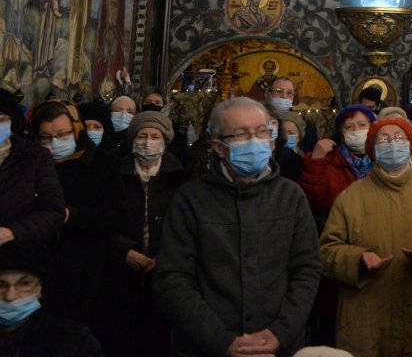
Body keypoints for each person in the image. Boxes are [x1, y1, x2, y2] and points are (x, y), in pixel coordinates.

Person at [155, 97, 321, 357]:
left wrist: (279, 333)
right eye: (242, 134)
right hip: (207, 347)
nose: (255, 141)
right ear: (219, 146)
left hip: (278, 346)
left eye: (262, 132)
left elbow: (307, 270)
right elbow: (173, 278)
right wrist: (222, 341)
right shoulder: (191, 200)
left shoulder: (291, 196)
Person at [320, 116, 412, 356]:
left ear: (409, 146)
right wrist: (359, 259)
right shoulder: (350, 197)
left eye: (399, 138)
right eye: (384, 139)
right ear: (373, 149)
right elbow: (326, 251)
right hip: (366, 317)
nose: (392, 143)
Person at [30, 101, 118, 335]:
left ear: (76, 130)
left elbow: (113, 214)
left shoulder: (103, 163)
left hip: (85, 269)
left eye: (62, 134)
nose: (55, 143)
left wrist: (71, 215)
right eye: (46, 138)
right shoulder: (32, 165)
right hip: (39, 270)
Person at [106, 111, 187, 356]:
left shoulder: (181, 176)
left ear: (165, 141)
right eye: (142, 135)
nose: (148, 142)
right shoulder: (113, 172)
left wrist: (165, 257)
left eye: (155, 136)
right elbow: (103, 220)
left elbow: (187, 227)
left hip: (165, 274)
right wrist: (123, 250)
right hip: (121, 272)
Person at [0, 241, 103, 356]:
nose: (10, 296)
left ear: (41, 289)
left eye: (25, 284)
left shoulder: (73, 339)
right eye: (1, 285)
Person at [0, 89, 65, 247]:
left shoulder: (35, 156)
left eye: (1, 119)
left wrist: (12, 232)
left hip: (20, 252)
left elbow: (54, 211)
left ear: (12, 122)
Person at [301, 104, 377, 221]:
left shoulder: (381, 158)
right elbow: (314, 203)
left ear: (371, 127)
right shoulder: (331, 161)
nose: (356, 130)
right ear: (341, 132)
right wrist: (316, 161)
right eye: (349, 127)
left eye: (362, 125)